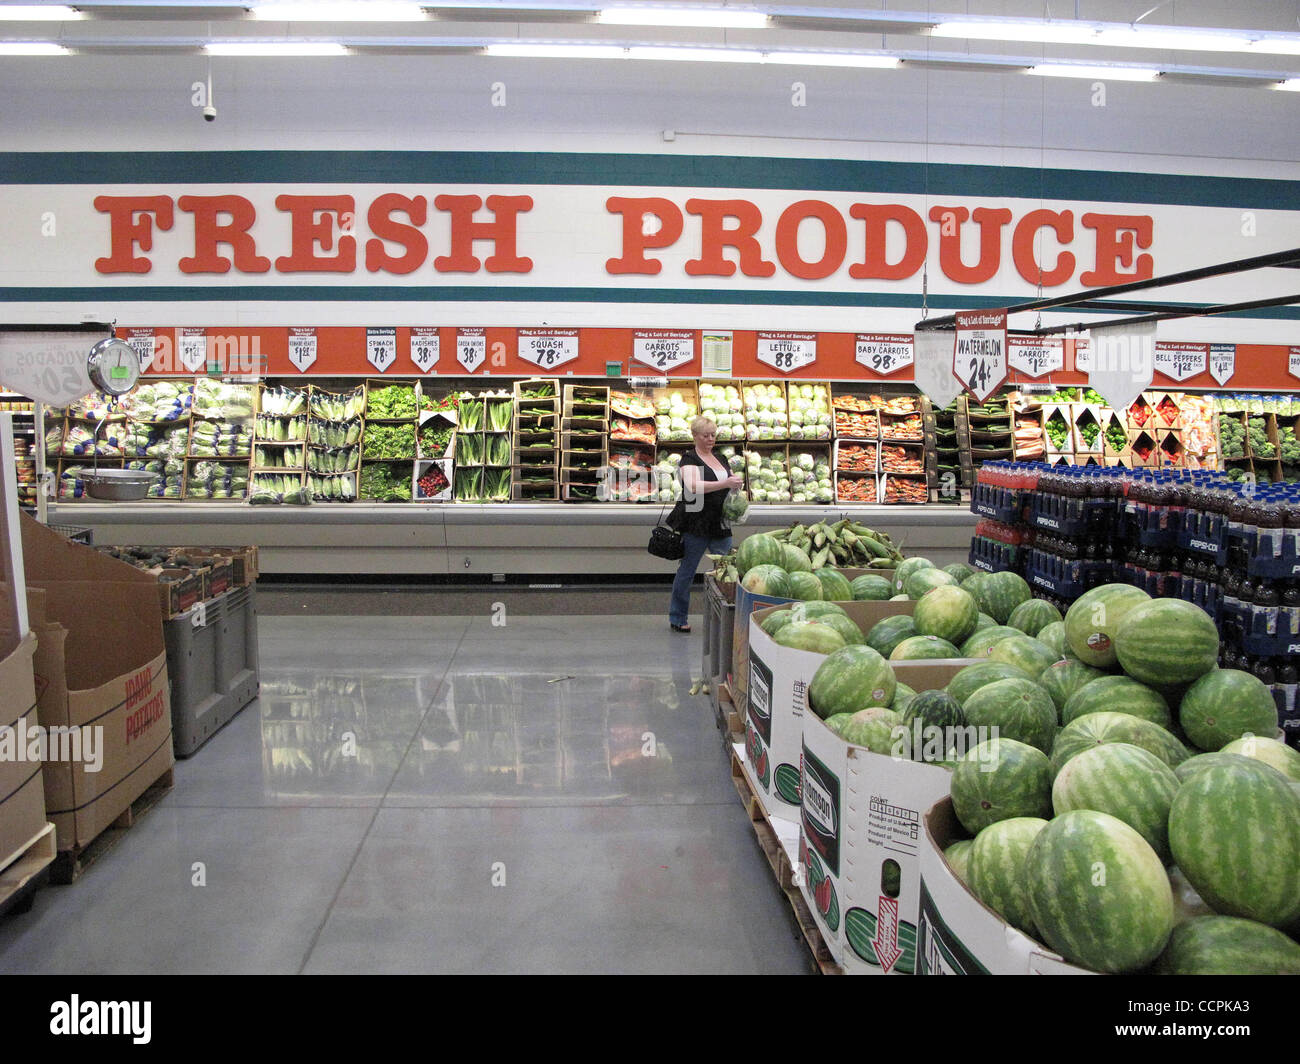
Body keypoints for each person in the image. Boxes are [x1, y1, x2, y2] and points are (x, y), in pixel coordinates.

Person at [669, 416, 743, 633]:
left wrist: (734, 485)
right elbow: (693, 486)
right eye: (706, 435)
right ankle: (678, 616)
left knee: (727, 569)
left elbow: (728, 482)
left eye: (713, 435)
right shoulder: (689, 459)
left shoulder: (720, 458)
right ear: (695, 436)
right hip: (696, 522)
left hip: (720, 521)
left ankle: (728, 615)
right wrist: (725, 483)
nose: (711, 439)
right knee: (688, 571)